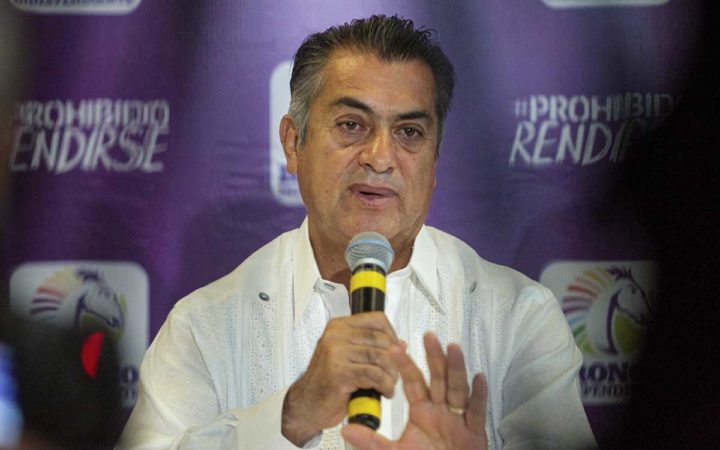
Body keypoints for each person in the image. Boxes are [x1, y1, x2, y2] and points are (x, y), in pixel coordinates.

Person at [119, 15, 596, 450]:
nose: (380, 157)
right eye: (352, 125)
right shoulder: (205, 329)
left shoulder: (517, 317)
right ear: (293, 143)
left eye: (409, 132)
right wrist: (290, 418)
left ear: (434, 161)